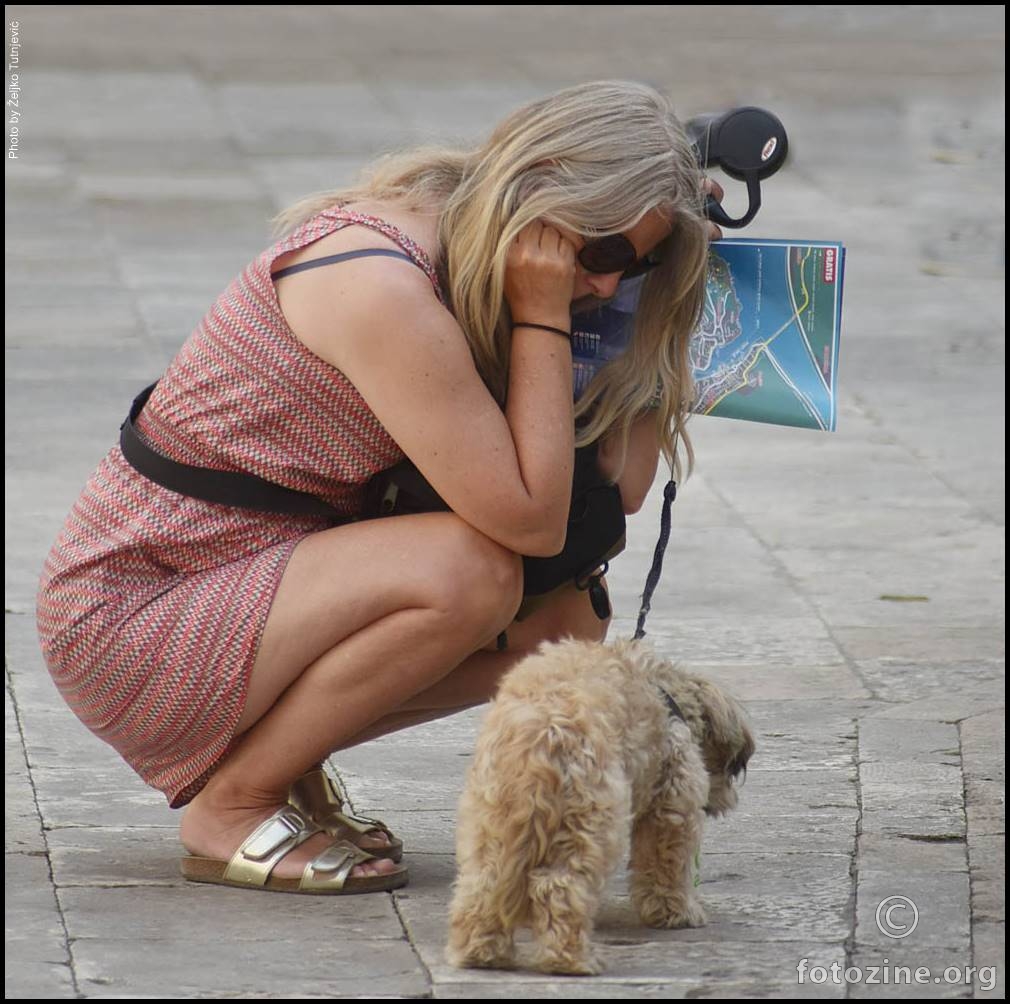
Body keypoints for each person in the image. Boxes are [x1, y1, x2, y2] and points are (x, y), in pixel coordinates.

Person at [34, 79, 722, 894]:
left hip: (253, 583)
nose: (608, 285)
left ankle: (276, 767)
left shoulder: (482, 246)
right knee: (472, 571)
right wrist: (543, 316)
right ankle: (233, 803)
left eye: (635, 265)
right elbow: (533, 521)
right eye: (604, 255)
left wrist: (656, 303)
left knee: (566, 623)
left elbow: (625, 485)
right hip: (133, 616)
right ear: (544, 192)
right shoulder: (382, 283)